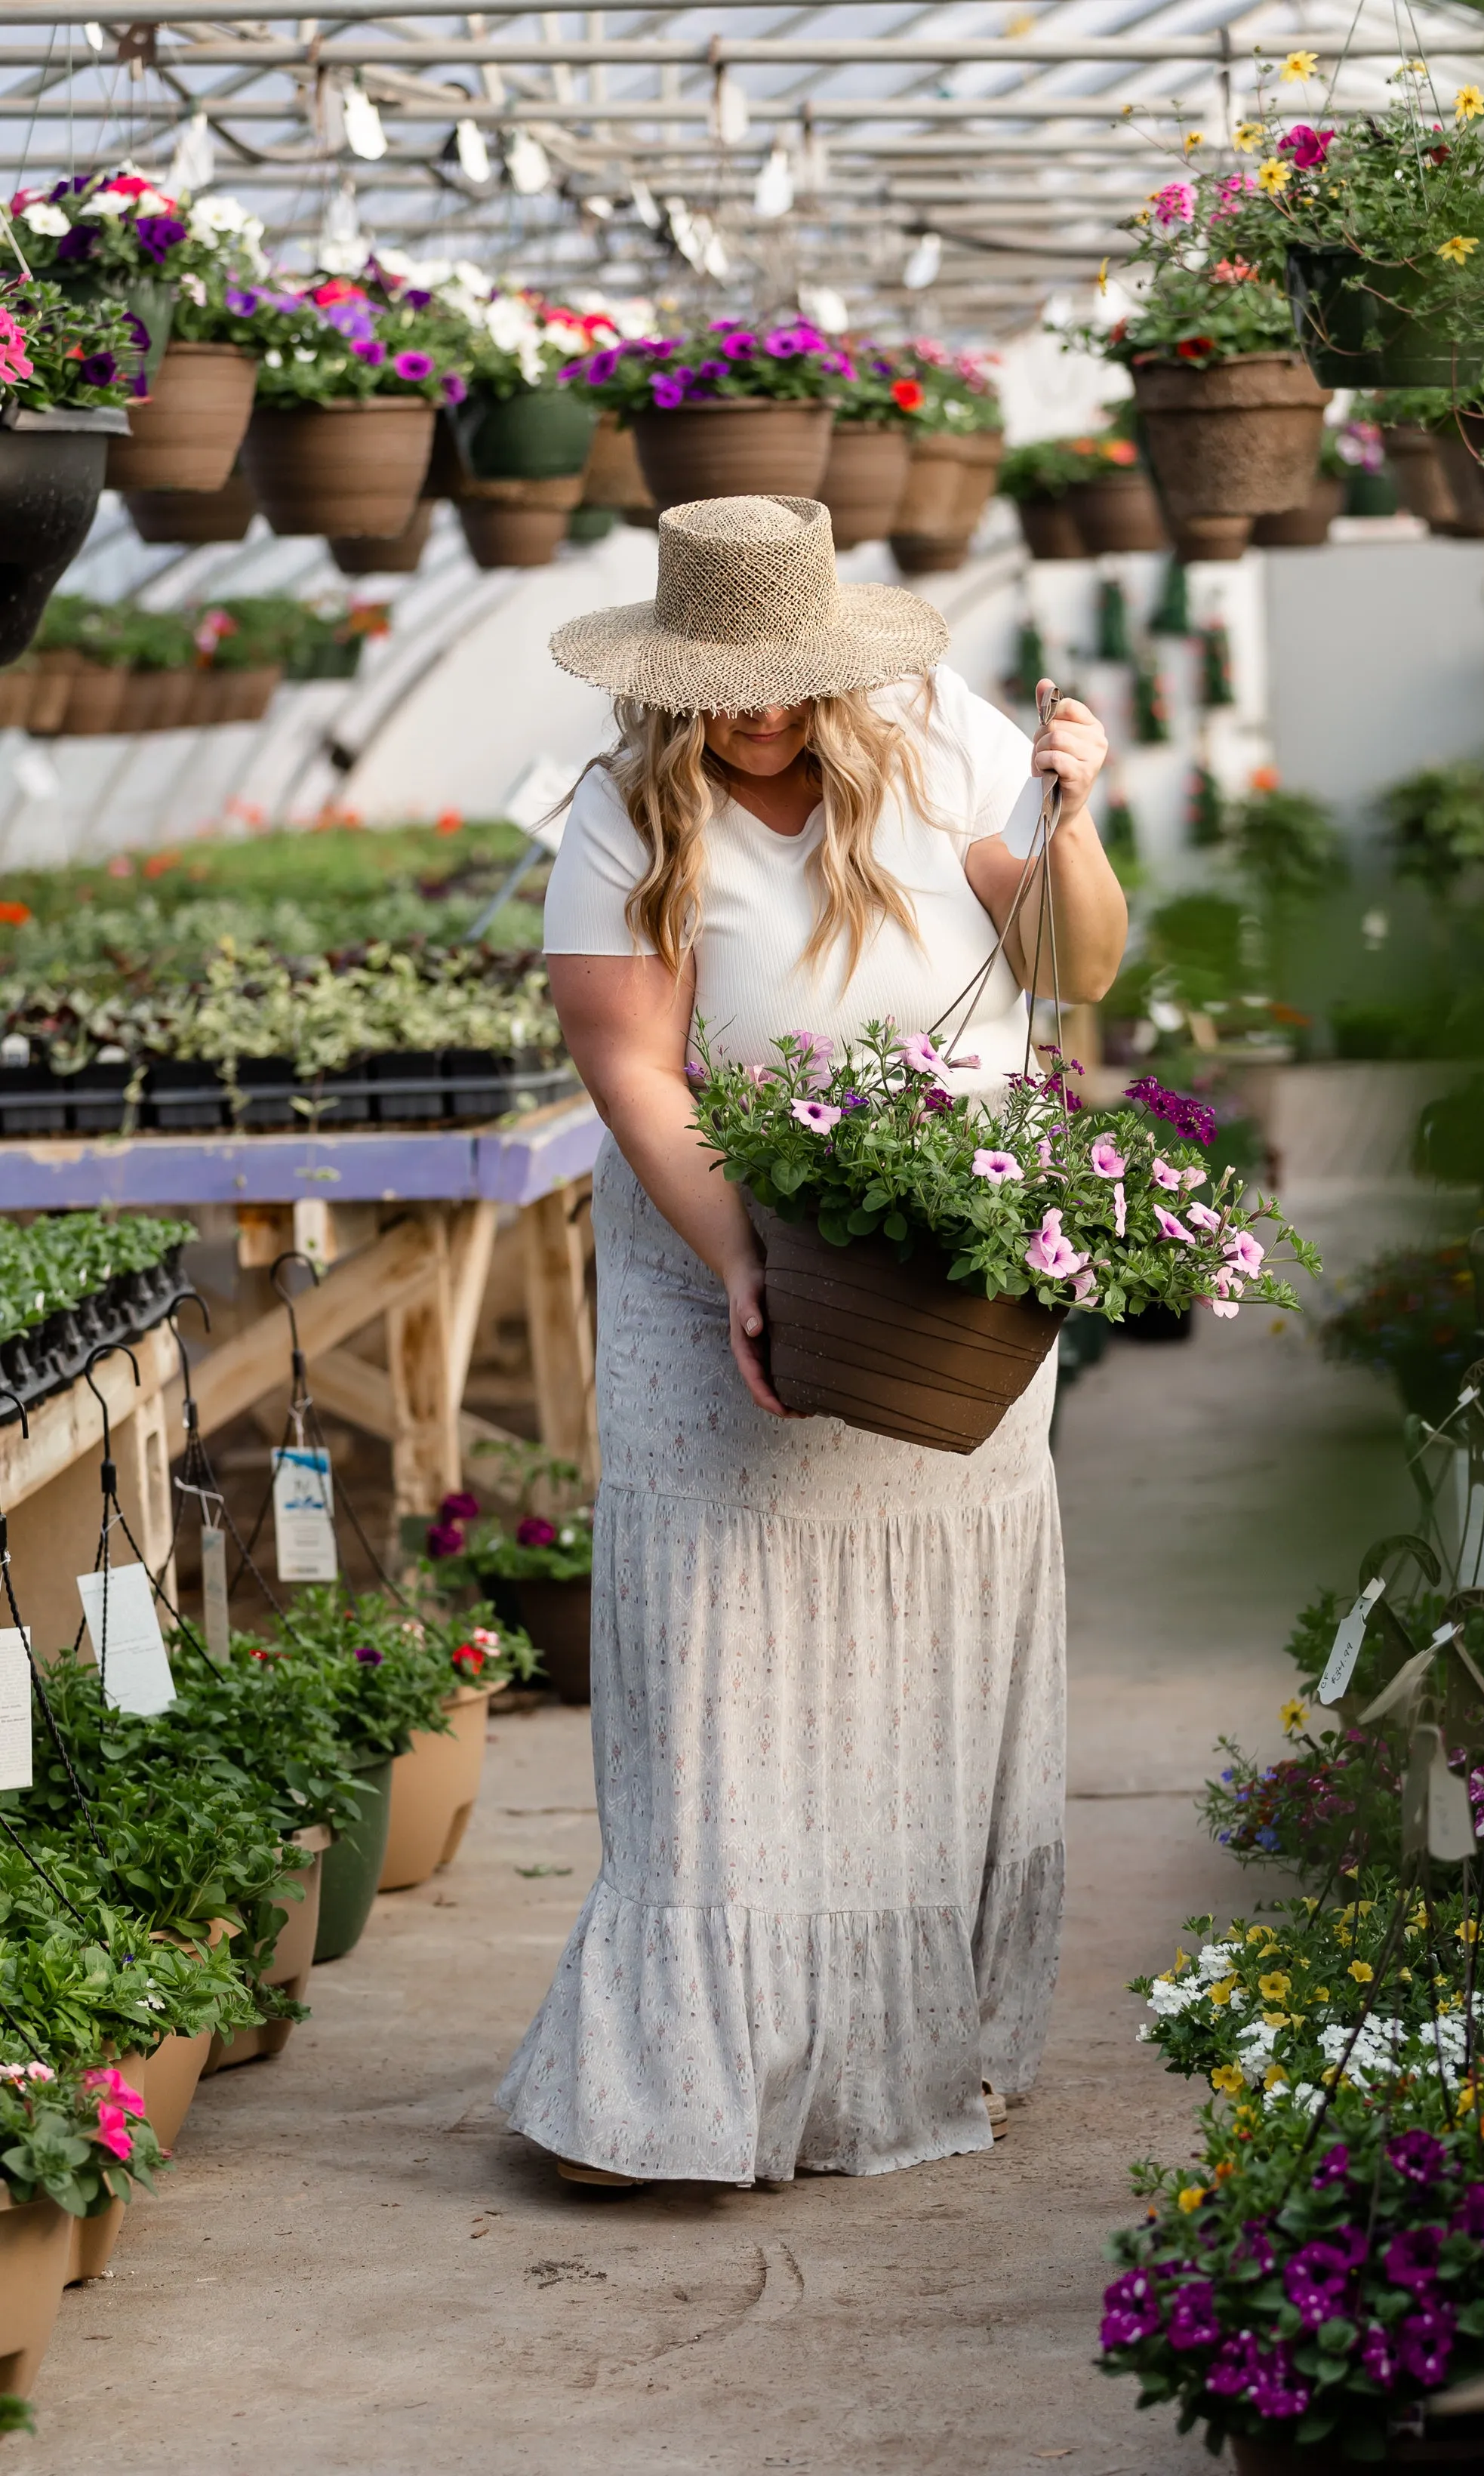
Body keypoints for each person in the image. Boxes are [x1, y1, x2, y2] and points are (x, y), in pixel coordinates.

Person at [497, 493, 1125, 2188]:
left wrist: (1074, 821)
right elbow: (632, 1065)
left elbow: (1066, 964)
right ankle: (689, 2080)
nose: (754, 710)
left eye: (780, 678)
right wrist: (744, 1261)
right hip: (720, 1271)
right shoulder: (622, 808)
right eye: (721, 681)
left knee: (924, 1665)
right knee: (725, 1658)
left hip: (944, 1277)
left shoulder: (938, 745)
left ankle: (927, 2044)